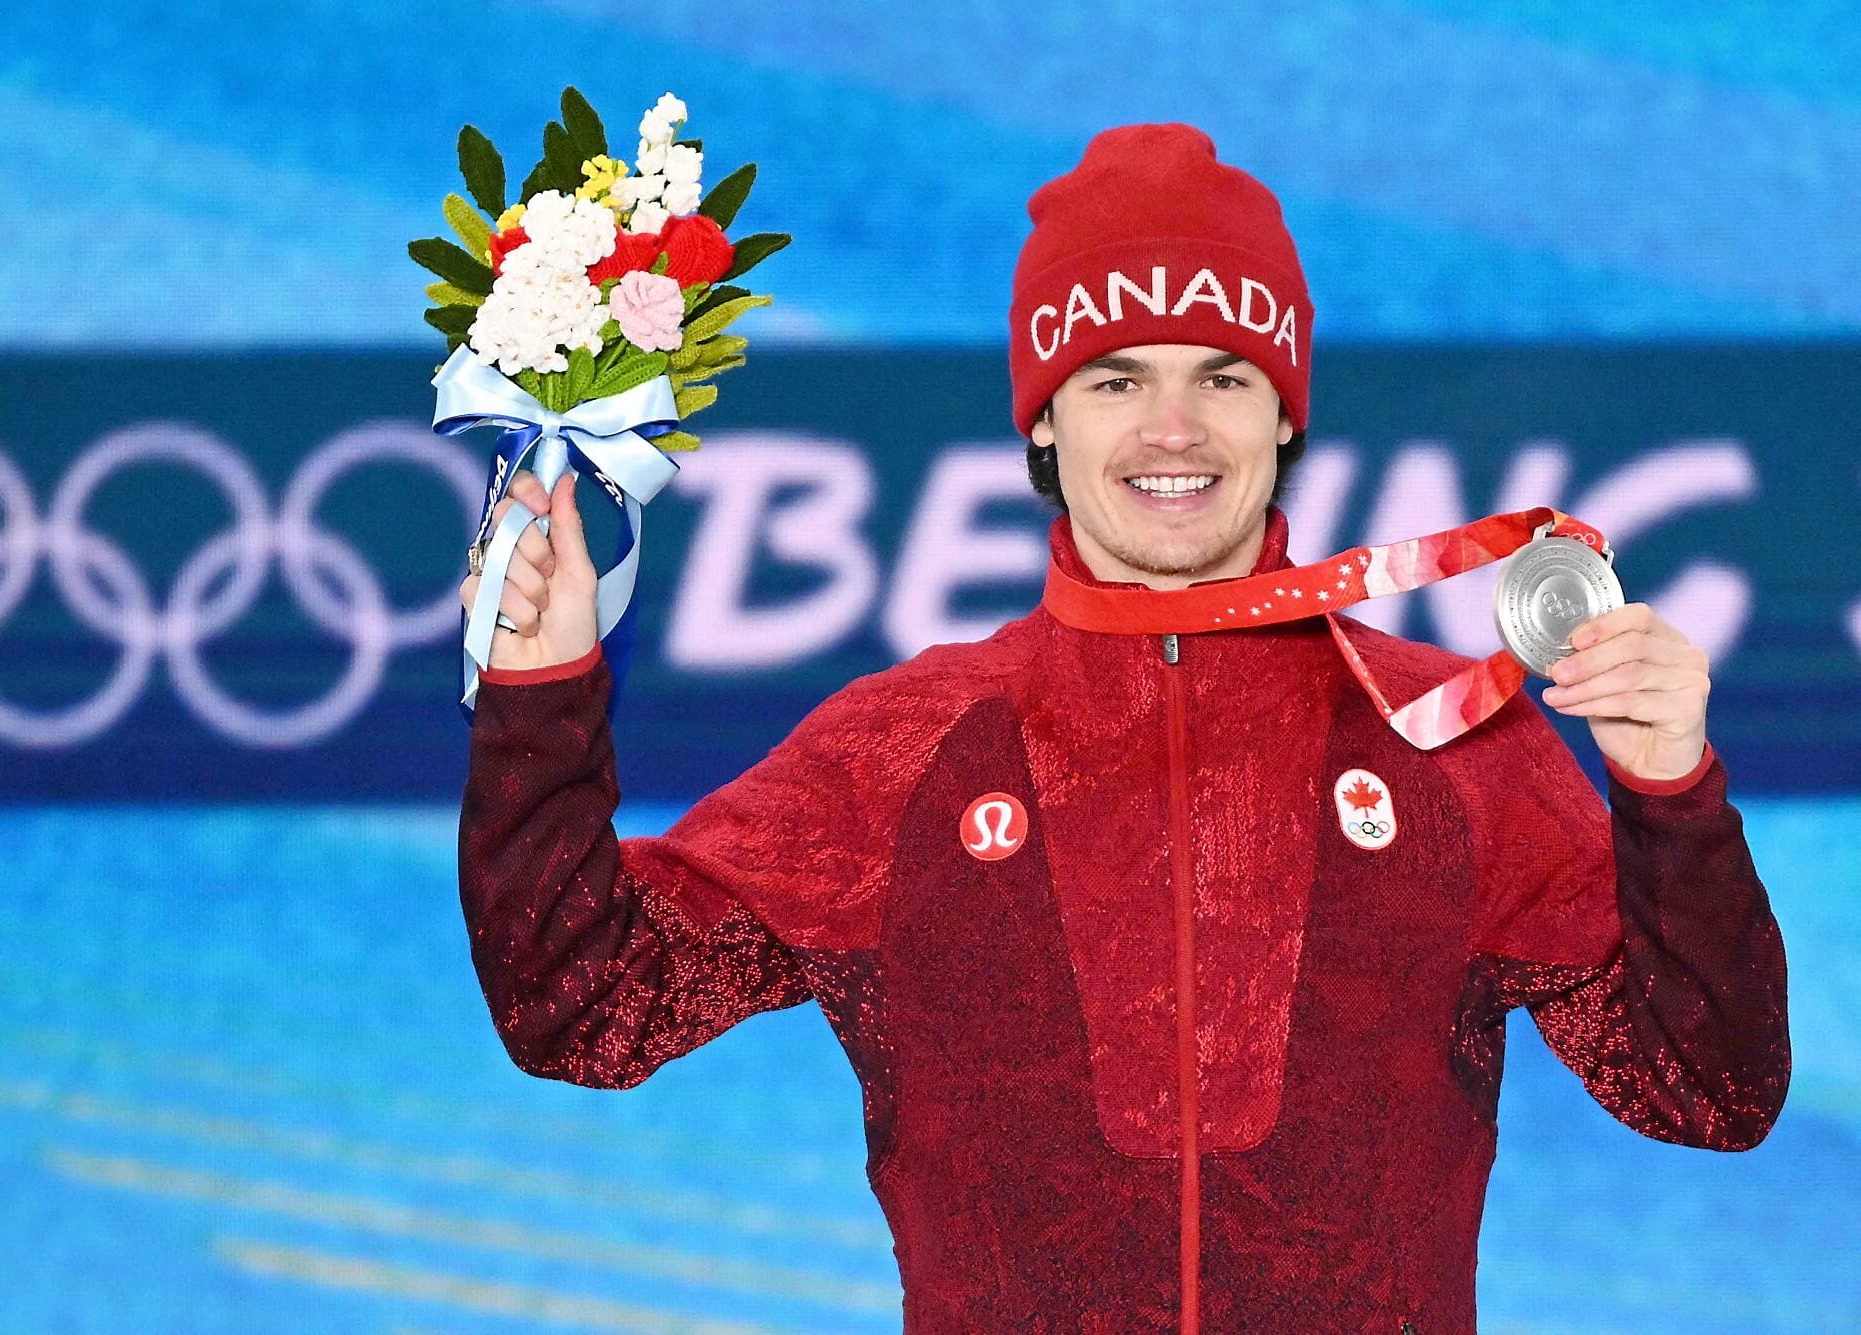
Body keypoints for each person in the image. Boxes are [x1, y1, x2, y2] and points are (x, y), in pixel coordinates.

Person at [453, 124, 1789, 1334]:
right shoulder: (905, 751)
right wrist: (540, 702)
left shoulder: (1445, 741)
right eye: (1112, 380)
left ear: (1284, 415)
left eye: (1222, 376)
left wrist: (1671, 793)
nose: (1171, 426)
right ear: (1041, 419)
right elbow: (582, 1004)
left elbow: (1708, 1092)